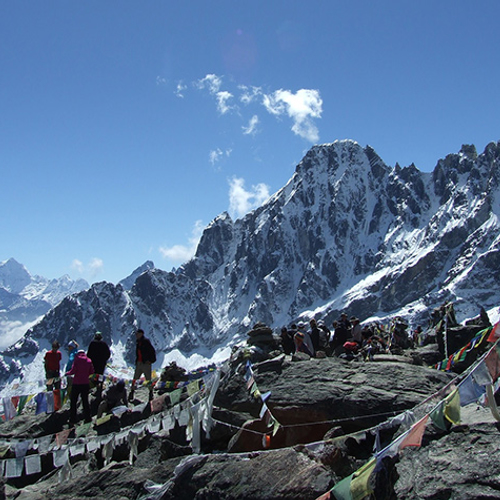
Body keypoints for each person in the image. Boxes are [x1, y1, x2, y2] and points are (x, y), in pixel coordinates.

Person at [66, 349, 95, 424]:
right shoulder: (88, 361)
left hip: (76, 383)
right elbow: (92, 372)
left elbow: (73, 371)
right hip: (85, 383)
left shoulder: (77, 360)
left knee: (73, 401)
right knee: (85, 401)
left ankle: (73, 419)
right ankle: (88, 418)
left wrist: (67, 373)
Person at [130, 329, 156, 401]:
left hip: (146, 363)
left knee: (148, 379)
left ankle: (150, 392)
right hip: (139, 363)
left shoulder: (146, 342)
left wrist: (151, 361)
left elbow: (152, 351)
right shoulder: (138, 342)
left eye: (137, 334)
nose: (136, 335)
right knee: (135, 378)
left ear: (141, 334)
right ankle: (132, 392)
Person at [87, 331, 111, 396]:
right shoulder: (104, 344)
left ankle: (91, 388)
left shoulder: (92, 344)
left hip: (93, 363)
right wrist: (104, 360)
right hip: (101, 363)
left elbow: (88, 354)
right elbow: (108, 354)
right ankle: (99, 388)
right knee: (100, 375)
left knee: (93, 375)